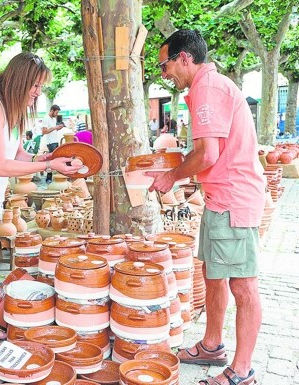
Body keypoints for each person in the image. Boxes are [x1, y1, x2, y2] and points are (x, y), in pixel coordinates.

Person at [147, 29, 265, 385]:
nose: (164, 75)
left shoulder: (207, 89)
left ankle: (242, 371)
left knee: (243, 286)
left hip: (234, 199)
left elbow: (208, 154)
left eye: (165, 66)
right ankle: (212, 345)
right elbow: (208, 152)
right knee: (212, 275)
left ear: (184, 58)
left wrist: (171, 177)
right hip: (220, 197)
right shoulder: (205, 88)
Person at [0, 52, 79, 348]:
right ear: (20, 80)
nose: (38, 93)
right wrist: (48, 167)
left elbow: (17, 155)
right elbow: (0, 165)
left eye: (40, 87)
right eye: (35, 86)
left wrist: (47, 157)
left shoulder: (14, 107)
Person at [41, 104, 65, 183]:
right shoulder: (46, 118)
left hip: (55, 141)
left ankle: (55, 178)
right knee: (51, 160)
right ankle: (49, 178)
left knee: (56, 159)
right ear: (52, 111)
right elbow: (44, 131)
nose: (57, 114)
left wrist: (58, 128)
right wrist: (55, 128)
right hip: (49, 142)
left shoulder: (54, 119)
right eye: (56, 112)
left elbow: (52, 130)